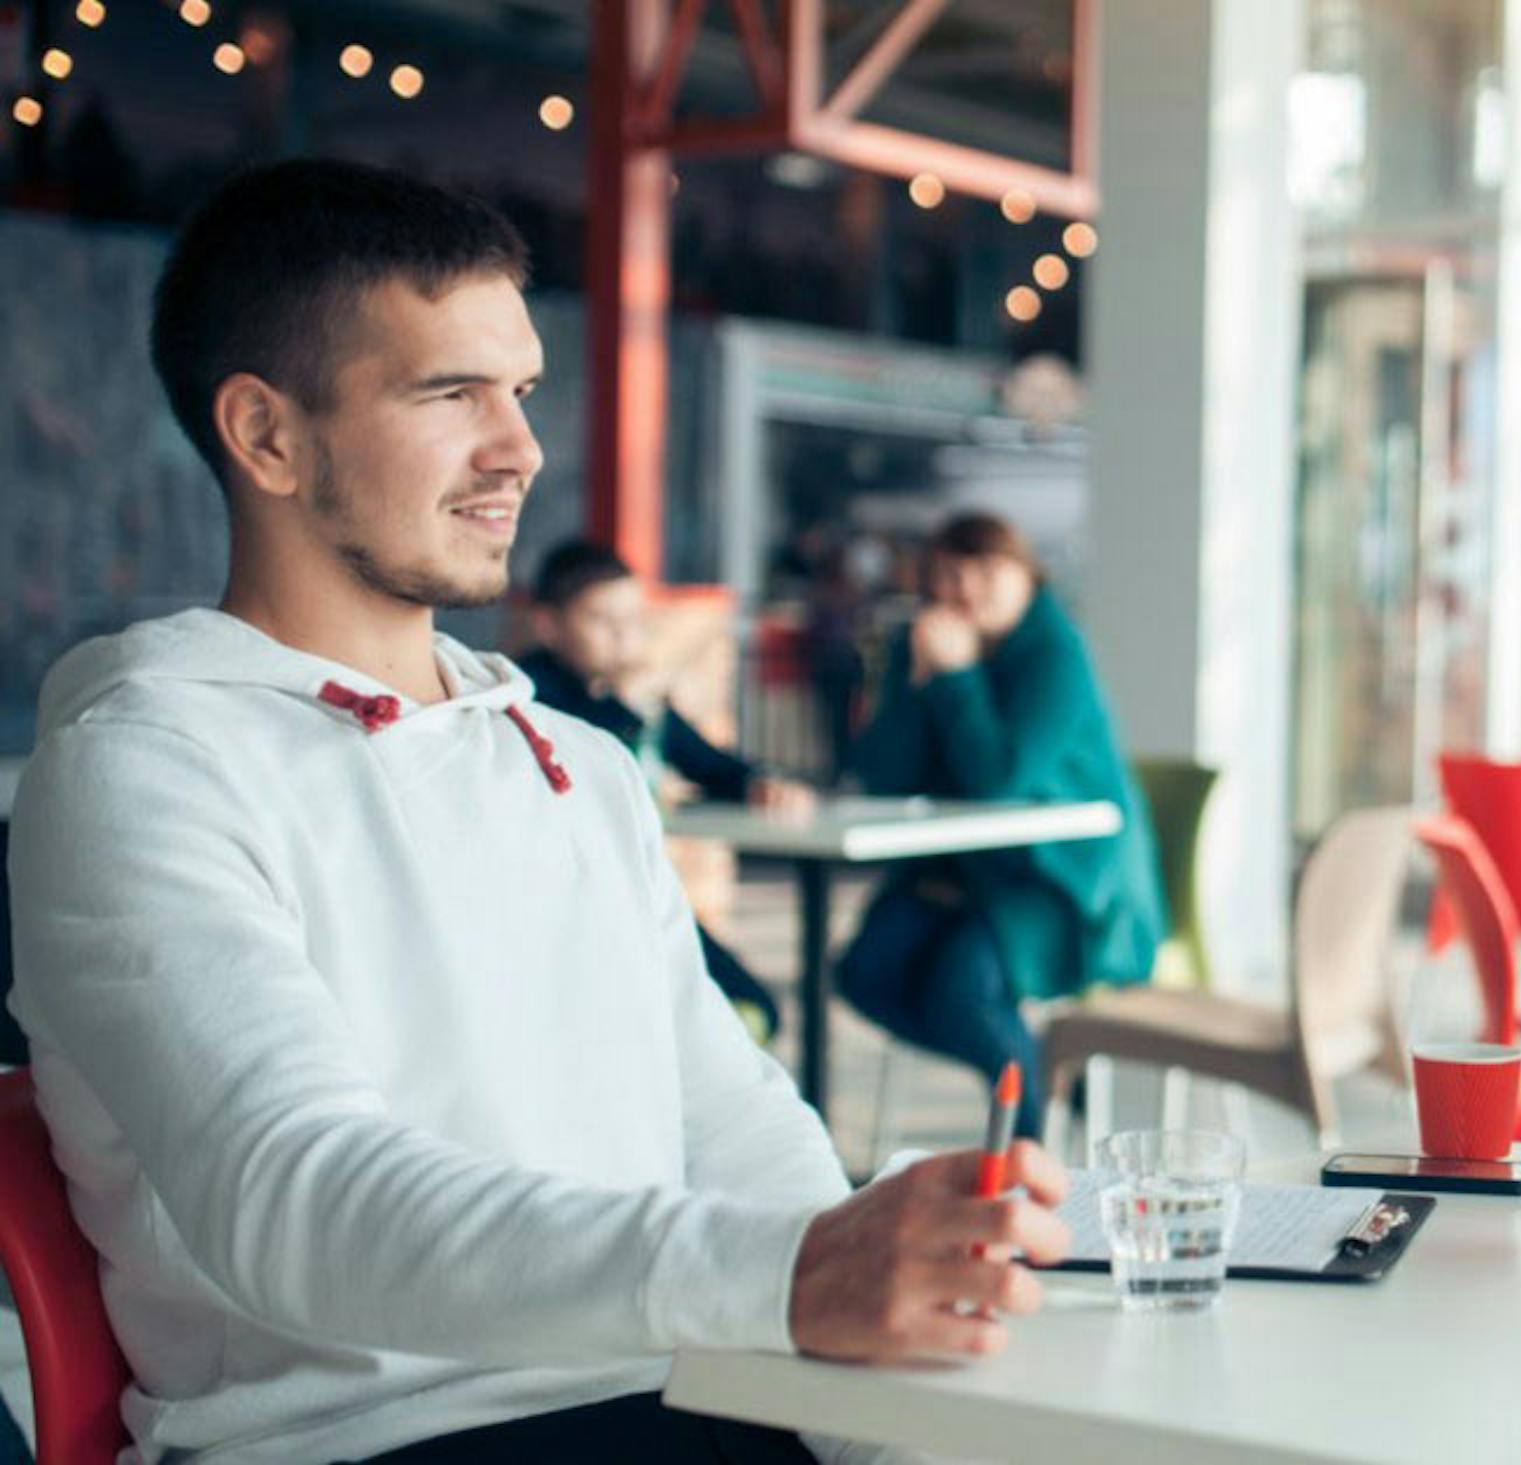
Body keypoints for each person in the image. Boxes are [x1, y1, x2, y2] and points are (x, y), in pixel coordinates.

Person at [6, 159, 1070, 1464]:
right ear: (268, 435)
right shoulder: (146, 763)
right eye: (450, 393)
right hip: (372, 1441)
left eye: (518, 390)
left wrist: (870, 1409)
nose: (520, 448)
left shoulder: (574, 759)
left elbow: (732, 1121)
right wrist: (781, 1281)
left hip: (678, 1400)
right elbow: (296, 1196)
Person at [840, 511, 1163, 1139]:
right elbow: (882, 774)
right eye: (948, 573)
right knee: (866, 970)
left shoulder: (1054, 654)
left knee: (959, 987)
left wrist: (957, 678)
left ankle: (1028, 1141)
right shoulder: (930, 645)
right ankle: (1025, 1064)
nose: (965, 588)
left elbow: (1000, 779)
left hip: (1064, 882)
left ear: (1026, 575)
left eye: (986, 569)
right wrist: (917, 682)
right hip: (969, 874)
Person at [519, 537, 816, 1040]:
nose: (624, 638)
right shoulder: (527, 693)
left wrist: (759, 783)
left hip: (646, 898)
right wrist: (626, 710)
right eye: (602, 621)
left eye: (634, 622)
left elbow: (707, 762)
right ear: (549, 624)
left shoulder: (638, 700)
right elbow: (576, 769)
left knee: (753, 1008)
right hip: (566, 914)